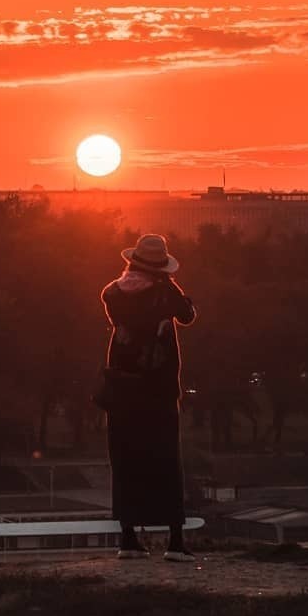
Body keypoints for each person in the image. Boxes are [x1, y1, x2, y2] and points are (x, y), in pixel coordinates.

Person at [100, 232, 196, 561]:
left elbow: (113, 306)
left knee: (126, 458)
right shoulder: (164, 292)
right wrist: (176, 291)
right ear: (161, 267)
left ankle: (128, 538)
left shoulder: (113, 292)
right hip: (158, 389)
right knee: (165, 459)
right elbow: (186, 315)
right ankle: (175, 540)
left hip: (122, 390)